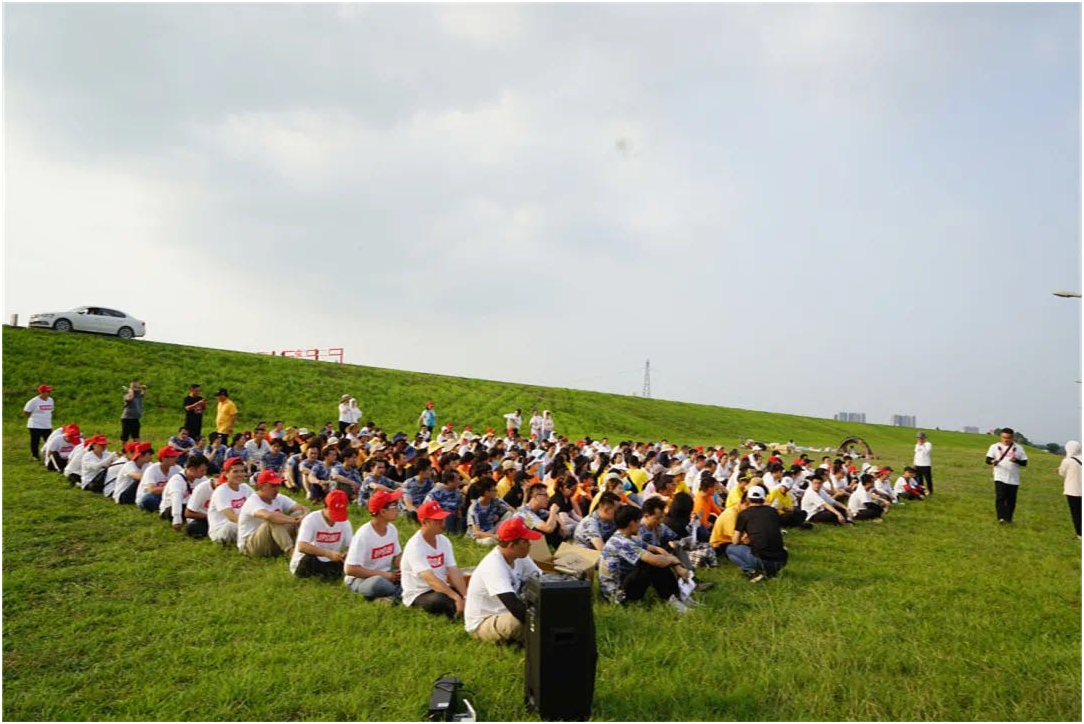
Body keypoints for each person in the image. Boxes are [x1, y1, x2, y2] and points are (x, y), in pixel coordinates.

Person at [464, 517, 543, 644]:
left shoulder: (521, 556)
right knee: (519, 622)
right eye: (526, 541)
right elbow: (514, 606)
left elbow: (542, 581)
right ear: (512, 545)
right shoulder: (493, 565)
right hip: (483, 622)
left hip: (505, 612)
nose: (530, 544)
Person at [599, 505, 688, 614]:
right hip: (617, 597)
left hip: (623, 584)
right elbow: (656, 561)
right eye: (638, 522)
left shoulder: (627, 538)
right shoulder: (622, 542)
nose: (640, 525)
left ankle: (676, 598)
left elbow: (657, 549)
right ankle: (673, 600)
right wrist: (673, 561)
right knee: (651, 564)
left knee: (654, 559)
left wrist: (677, 565)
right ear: (632, 523)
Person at [400, 500, 469, 618]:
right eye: (438, 520)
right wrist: (455, 596)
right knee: (442, 600)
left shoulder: (444, 541)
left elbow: (453, 570)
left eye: (443, 519)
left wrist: (465, 596)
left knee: (473, 593)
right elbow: (429, 578)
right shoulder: (415, 545)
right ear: (425, 522)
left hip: (441, 587)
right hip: (420, 593)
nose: (443, 523)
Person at [345, 490, 404, 601]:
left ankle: (392, 597)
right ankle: (398, 595)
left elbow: (396, 556)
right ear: (382, 512)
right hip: (362, 579)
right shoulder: (363, 535)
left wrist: (403, 570)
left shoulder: (392, 529)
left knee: (411, 576)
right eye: (394, 506)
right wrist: (384, 575)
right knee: (378, 583)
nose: (397, 509)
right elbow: (350, 569)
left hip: (387, 575)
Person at [237, 470, 309, 557]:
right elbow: (269, 516)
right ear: (261, 487)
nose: (277, 489)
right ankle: (291, 553)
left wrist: (304, 516)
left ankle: (303, 546)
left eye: (278, 485)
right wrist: (295, 520)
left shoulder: (278, 497)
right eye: (273, 486)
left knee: (299, 513)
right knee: (272, 520)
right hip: (250, 546)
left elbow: (303, 508)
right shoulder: (252, 501)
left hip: (273, 540)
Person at [727, 485, 788, 582]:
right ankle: (770, 574)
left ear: (748, 498)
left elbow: (735, 541)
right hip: (782, 560)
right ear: (764, 498)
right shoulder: (773, 511)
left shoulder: (744, 514)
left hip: (762, 560)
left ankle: (752, 572)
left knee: (730, 549)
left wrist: (745, 538)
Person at [290, 489, 353, 581]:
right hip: (309, 559)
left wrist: (346, 555)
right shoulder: (311, 519)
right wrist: (327, 553)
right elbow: (302, 546)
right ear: (324, 506)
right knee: (310, 561)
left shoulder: (345, 522)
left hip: (331, 560)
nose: (335, 518)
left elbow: (351, 546)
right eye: (333, 512)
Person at [986, 428, 1029, 524]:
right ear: (1001, 437)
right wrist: (993, 461)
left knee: (1011, 500)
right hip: (999, 476)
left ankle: (1008, 519)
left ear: (1012, 437)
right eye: (1004, 437)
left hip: (1014, 478)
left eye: (1008, 438)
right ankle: (1001, 518)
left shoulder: (1019, 448)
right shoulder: (994, 447)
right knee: (1000, 497)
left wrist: (1016, 460)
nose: (1006, 440)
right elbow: (987, 460)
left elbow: (1025, 462)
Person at [207, 457, 253, 545]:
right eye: (235, 471)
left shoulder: (246, 488)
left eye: (242, 471)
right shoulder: (221, 491)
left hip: (241, 524)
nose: (240, 474)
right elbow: (232, 517)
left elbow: (258, 504)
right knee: (232, 526)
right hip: (222, 530)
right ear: (226, 474)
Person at [161, 454, 209, 531]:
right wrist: (177, 521)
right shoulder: (177, 481)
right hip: (172, 509)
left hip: (190, 506)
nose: (204, 473)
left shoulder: (202, 478)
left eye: (205, 470)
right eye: (202, 470)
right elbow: (176, 501)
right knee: (187, 508)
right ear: (192, 469)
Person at [466, 478, 514, 545]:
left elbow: (512, 510)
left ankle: (503, 537)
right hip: (480, 536)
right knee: (489, 541)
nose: (496, 491)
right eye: (494, 490)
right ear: (486, 492)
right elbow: (477, 532)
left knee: (510, 514)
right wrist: (494, 536)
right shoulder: (474, 508)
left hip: (492, 530)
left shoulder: (496, 500)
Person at [515, 483, 562, 548]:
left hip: (528, 542)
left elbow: (554, 515)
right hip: (517, 545)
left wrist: (563, 526)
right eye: (545, 495)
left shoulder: (538, 510)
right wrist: (553, 511)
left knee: (553, 520)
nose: (548, 499)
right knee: (542, 528)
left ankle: (558, 549)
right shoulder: (524, 513)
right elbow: (548, 529)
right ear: (536, 497)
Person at [137, 448, 181, 512]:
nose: (176, 458)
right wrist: (173, 489)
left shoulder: (177, 468)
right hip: (151, 496)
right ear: (164, 459)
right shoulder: (151, 470)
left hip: (167, 494)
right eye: (173, 456)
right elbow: (152, 490)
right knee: (148, 500)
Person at [1056, 441, 1081, 539]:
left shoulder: (1067, 461)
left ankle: (1080, 534)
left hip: (1073, 490)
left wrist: (1058, 470)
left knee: (1076, 513)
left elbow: (1062, 473)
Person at [24, 384, 55, 460]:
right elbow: (26, 411)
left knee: (49, 440)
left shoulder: (51, 400)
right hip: (35, 425)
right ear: (41, 392)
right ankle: (35, 455)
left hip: (47, 425)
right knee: (35, 441)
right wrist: (34, 418)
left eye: (49, 391)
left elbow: (51, 410)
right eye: (47, 391)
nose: (49, 393)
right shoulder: (34, 401)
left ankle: (47, 454)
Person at [914, 431, 934, 496]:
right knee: (919, 479)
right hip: (918, 464)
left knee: (928, 479)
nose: (919, 439)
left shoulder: (928, 444)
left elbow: (926, 452)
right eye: (918, 438)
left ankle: (930, 492)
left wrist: (922, 445)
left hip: (926, 465)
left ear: (924, 438)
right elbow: (916, 454)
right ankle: (922, 491)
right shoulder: (916, 445)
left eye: (920, 438)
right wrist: (914, 463)